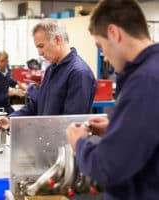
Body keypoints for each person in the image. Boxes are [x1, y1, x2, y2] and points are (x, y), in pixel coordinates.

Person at [66, 0, 159, 199]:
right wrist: (117, 126)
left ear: (114, 33)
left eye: (101, 46)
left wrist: (80, 143)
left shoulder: (145, 80)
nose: (105, 57)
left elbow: (109, 166)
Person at [0, 19, 96, 129]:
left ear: (57, 39)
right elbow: (36, 105)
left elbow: (72, 124)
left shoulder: (78, 73)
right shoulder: (51, 69)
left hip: (63, 144)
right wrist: (11, 120)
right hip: (47, 141)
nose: (39, 53)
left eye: (41, 46)